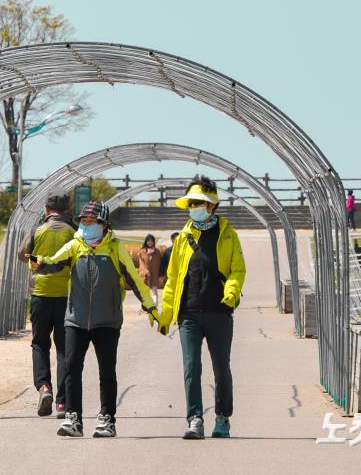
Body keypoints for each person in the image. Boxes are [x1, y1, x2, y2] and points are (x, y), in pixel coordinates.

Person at [29, 200, 157, 438]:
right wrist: (39, 262)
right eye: (83, 222)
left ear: (103, 224)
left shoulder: (115, 248)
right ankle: (73, 418)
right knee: (71, 369)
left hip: (107, 320)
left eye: (91, 222)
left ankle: (107, 419)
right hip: (75, 319)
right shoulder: (75, 245)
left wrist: (150, 306)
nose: (86, 226)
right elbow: (54, 261)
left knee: (107, 372)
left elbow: (134, 278)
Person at [157, 177, 246, 440]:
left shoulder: (228, 234)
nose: (195, 207)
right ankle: (195, 419)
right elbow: (173, 278)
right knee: (191, 367)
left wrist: (232, 291)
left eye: (201, 203)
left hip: (219, 312)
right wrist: (165, 313)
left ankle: (222, 417)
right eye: (192, 203)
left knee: (221, 367)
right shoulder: (183, 238)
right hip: (189, 315)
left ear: (213, 206)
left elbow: (237, 269)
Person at [17, 191, 76, 418]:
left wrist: (36, 261)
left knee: (40, 344)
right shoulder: (73, 233)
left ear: (46, 210)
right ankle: (63, 403)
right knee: (64, 348)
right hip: (65, 297)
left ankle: (44, 387)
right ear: (68, 210)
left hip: (40, 294)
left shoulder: (37, 230)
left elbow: (22, 254)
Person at [137, 234, 162, 304]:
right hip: (145, 276)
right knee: (145, 292)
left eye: (151, 241)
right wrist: (145, 271)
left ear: (154, 242)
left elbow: (160, 263)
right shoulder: (142, 252)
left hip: (154, 275)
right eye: (148, 241)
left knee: (154, 291)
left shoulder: (157, 252)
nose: (150, 242)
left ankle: (155, 307)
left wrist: (160, 273)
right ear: (146, 242)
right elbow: (141, 264)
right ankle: (146, 306)